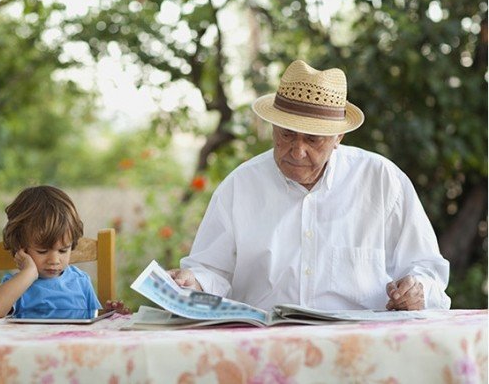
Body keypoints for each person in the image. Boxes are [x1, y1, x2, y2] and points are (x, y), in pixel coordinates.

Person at [168, 59, 451, 312]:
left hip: (360, 346)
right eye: (287, 134)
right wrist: (194, 281)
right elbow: (210, 270)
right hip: (263, 344)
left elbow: (427, 270)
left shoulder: (382, 180)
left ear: (338, 136)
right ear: (273, 127)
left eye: (313, 140)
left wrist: (418, 291)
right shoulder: (240, 186)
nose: (297, 151)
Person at [0, 185, 129, 318]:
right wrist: (29, 273)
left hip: (74, 346)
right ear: (21, 248)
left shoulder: (80, 281)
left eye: (63, 250)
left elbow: (93, 320)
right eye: (42, 251)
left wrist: (110, 316)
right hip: (33, 347)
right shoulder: (17, 285)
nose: (54, 260)